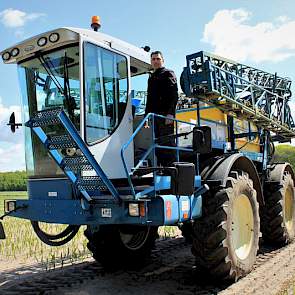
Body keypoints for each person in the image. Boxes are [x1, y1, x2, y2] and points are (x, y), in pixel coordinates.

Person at [144, 51, 178, 167]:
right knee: (157, 143)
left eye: (158, 59)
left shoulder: (168, 73)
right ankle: (163, 168)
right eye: (153, 59)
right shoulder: (151, 77)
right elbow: (149, 99)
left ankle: (172, 169)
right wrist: (146, 117)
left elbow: (174, 95)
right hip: (154, 116)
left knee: (166, 142)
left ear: (163, 60)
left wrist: (170, 114)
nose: (155, 61)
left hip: (165, 115)